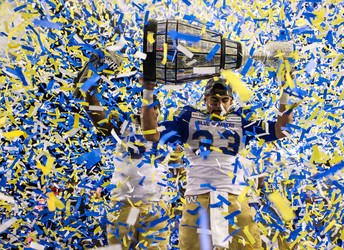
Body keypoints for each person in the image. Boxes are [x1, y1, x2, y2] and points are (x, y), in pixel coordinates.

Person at [141, 76, 294, 249]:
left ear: (231, 101)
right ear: (205, 99)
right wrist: (148, 91)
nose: (219, 104)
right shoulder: (188, 117)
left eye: (224, 100)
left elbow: (282, 131)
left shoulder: (241, 119)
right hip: (197, 197)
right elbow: (151, 134)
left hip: (234, 197)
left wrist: (286, 92)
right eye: (214, 99)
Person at [74, 52, 173, 249]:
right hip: (125, 204)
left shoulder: (169, 132)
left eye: (153, 110)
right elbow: (100, 121)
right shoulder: (123, 127)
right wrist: (89, 93)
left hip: (154, 205)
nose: (148, 114)